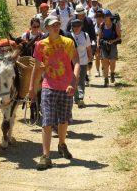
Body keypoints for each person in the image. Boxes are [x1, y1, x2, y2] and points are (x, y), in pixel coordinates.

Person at [29, 15, 80, 170]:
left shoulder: (68, 43)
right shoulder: (40, 45)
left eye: (58, 24)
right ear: (47, 28)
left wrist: (74, 82)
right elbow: (37, 67)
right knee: (47, 121)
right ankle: (45, 156)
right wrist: (31, 87)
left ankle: (62, 144)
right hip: (48, 86)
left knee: (64, 120)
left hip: (66, 87)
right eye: (53, 25)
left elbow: (77, 62)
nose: (56, 27)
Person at [68, 19, 92, 108]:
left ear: (81, 26)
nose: (76, 28)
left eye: (78, 26)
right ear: (72, 27)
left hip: (83, 61)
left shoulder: (85, 35)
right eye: (74, 26)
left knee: (81, 80)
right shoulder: (69, 36)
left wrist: (90, 60)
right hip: (72, 62)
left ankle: (81, 98)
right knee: (74, 80)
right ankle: (76, 97)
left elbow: (89, 49)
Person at [97, 9, 122, 87]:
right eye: (104, 16)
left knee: (112, 62)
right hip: (104, 45)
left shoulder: (115, 25)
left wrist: (112, 41)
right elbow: (99, 36)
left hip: (113, 45)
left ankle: (112, 73)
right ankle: (106, 80)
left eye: (106, 16)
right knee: (105, 63)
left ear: (109, 16)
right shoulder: (102, 25)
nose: (105, 17)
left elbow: (119, 37)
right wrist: (98, 45)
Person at [93, 9, 104, 77]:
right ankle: (97, 71)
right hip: (95, 41)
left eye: (100, 16)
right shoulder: (94, 25)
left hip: (103, 41)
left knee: (103, 57)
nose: (99, 18)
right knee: (97, 56)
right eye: (97, 16)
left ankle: (103, 70)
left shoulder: (105, 25)